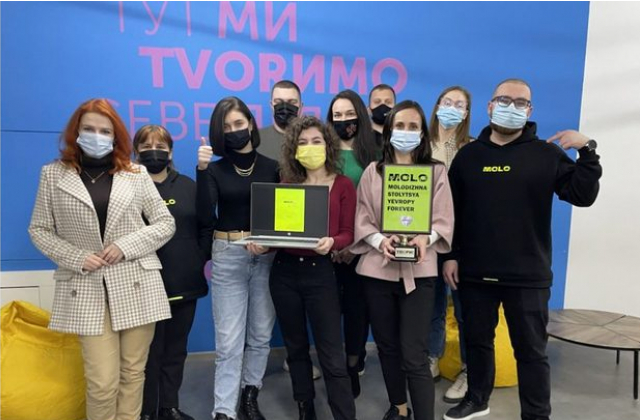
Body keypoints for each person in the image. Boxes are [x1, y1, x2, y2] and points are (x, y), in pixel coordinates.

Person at [442, 78, 602, 420]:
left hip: (527, 275)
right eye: (504, 100)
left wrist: (587, 151)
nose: (511, 107)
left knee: (531, 352)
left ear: (529, 111)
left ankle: (536, 414)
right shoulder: (468, 156)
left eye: (520, 103)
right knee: (477, 343)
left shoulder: (546, 154)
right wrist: (450, 256)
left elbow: (582, 195)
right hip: (474, 272)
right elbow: (451, 211)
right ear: (490, 106)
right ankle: (477, 398)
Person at [28, 99, 176, 420]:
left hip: (137, 281)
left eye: (105, 131)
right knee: (102, 383)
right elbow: (39, 229)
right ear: (76, 132)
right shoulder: (53, 175)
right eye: (89, 129)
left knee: (133, 373)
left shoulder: (135, 173)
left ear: (116, 135)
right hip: (86, 287)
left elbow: (165, 223)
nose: (97, 135)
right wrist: (77, 257)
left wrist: (126, 245)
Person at [351, 100, 455, 420]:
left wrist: (426, 239)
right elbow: (363, 219)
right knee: (387, 347)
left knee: (414, 354)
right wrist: (381, 241)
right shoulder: (373, 172)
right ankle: (398, 408)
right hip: (377, 272)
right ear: (389, 130)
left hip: (419, 274)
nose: (406, 131)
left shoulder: (436, 171)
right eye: (400, 125)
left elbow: (443, 219)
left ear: (422, 133)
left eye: (413, 126)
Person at [252, 115, 357, 420]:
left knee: (331, 353)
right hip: (284, 274)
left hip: (320, 273)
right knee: (296, 348)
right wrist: (263, 245)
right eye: (302, 142)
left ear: (328, 145)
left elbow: (348, 233)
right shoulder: (287, 185)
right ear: (294, 150)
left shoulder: (343, 185)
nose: (310, 147)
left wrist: (333, 242)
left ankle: (344, 414)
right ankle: (305, 409)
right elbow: (279, 236)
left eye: (316, 141)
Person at [197, 97, 279, 420]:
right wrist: (201, 171)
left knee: (260, 335)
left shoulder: (272, 166)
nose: (234, 130)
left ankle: (249, 395)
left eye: (239, 123)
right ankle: (223, 410)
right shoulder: (214, 169)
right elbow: (205, 216)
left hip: (266, 257)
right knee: (229, 341)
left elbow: (282, 217)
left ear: (251, 124)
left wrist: (269, 244)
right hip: (228, 253)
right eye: (227, 126)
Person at [133, 125, 212, 420]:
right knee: (148, 354)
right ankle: (147, 411)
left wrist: (198, 257)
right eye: (146, 146)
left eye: (160, 146)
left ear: (170, 151)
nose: (154, 151)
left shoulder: (189, 186)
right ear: (136, 151)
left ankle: (169, 406)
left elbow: (207, 225)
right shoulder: (129, 187)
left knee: (176, 350)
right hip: (143, 284)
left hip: (185, 281)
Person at [326, 89, 380, 397]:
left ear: (360, 114)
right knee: (329, 311)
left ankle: (353, 364)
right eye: (337, 115)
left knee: (359, 311)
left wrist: (354, 245)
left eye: (349, 114)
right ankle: (334, 366)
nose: (344, 120)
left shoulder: (375, 153)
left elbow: (377, 206)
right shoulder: (323, 153)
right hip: (328, 248)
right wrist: (336, 244)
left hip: (364, 247)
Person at [426, 86, 473, 404]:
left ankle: (469, 370)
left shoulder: (472, 148)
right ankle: (432, 356)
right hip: (426, 239)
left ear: (467, 112)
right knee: (432, 304)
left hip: (461, 241)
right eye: (447, 102)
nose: (452, 108)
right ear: (437, 105)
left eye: (460, 104)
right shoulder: (420, 144)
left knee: (465, 307)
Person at [259, 79, 304, 161]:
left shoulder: (312, 140)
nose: (285, 107)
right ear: (271, 106)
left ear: (301, 107)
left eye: (292, 102)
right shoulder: (256, 139)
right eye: (278, 102)